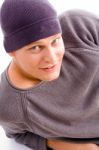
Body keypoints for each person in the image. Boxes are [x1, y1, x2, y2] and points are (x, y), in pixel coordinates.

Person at [0, 0, 99, 150]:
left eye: (55, 41)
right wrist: (74, 147)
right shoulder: (8, 104)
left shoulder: (78, 26)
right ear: (11, 51)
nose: (52, 58)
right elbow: (18, 135)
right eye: (36, 47)